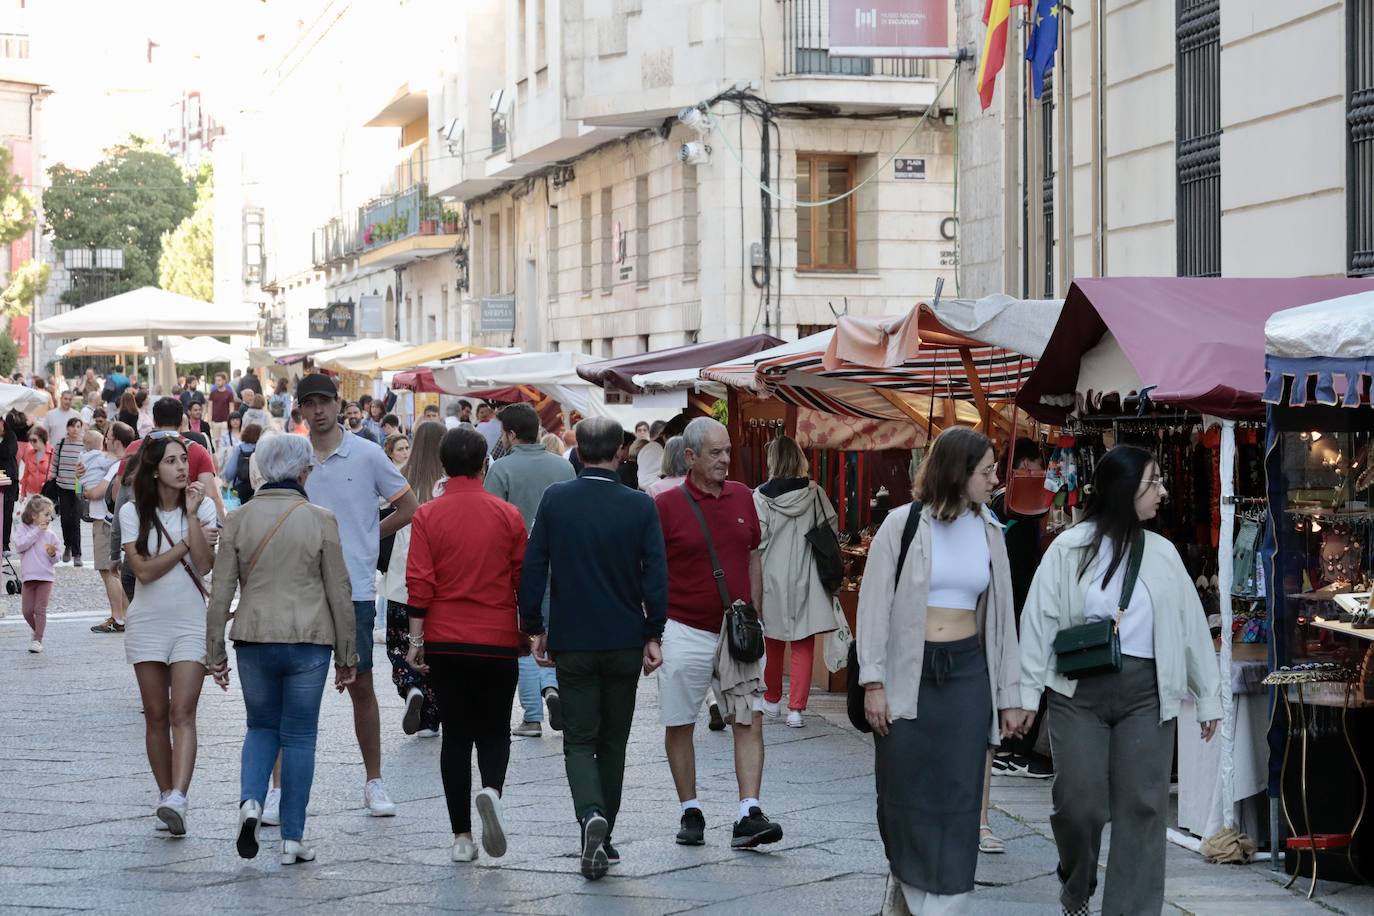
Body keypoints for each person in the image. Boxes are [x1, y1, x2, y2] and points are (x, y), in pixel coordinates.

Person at [1018, 445, 1221, 916]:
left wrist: (1207, 697)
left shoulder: (1164, 553)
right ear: (1123, 488)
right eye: (1153, 482)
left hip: (1147, 695)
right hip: (1078, 693)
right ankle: (1077, 882)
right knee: (1079, 805)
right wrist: (1026, 695)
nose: (1163, 492)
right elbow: (1038, 623)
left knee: (1143, 811)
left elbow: (1190, 626)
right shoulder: (1070, 548)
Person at [856, 426, 1028, 913]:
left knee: (959, 797)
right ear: (957, 473)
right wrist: (873, 682)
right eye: (987, 471)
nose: (996, 480)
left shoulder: (992, 530)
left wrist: (1010, 695)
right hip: (907, 674)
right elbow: (872, 608)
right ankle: (911, 890)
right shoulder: (901, 525)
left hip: (967, 673)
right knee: (902, 793)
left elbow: (1002, 621)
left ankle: (948, 901)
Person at [519, 417, 668, 880]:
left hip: (574, 638)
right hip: (624, 638)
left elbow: (534, 566)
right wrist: (653, 631)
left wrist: (534, 626)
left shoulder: (556, 500)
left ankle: (590, 815)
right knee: (614, 742)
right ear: (620, 453)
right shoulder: (640, 506)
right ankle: (606, 829)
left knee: (579, 740)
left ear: (579, 453)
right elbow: (656, 575)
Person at [205, 434, 358, 865]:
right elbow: (339, 592)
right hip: (309, 639)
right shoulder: (321, 519)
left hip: (253, 637)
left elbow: (221, 592)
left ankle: (251, 802)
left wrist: (213, 650)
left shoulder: (237, 519)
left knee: (260, 727)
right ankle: (293, 837)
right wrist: (348, 655)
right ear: (304, 471)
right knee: (300, 736)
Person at [652, 417, 782, 850]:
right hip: (683, 628)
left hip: (737, 631)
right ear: (690, 458)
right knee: (680, 722)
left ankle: (749, 811)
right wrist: (651, 631)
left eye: (728, 451)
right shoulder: (666, 506)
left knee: (749, 718)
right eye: (716, 453)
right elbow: (650, 571)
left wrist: (756, 615)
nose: (726, 459)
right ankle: (690, 809)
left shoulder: (744, 497)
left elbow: (753, 557)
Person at [404, 427, 526, 864]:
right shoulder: (507, 515)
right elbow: (520, 578)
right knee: (495, 729)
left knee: (455, 737)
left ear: (443, 466)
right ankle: (491, 788)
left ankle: (461, 837)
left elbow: (419, 582)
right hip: (495, 637)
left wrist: (416, 640)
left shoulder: (428, 516)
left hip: (445, 637)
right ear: (483, 464)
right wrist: (527, 630)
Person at [298, 373, 416, 817]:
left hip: (355, 585)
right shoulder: (296, 456)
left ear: (337, 403)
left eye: (324, 401)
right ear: (301, 410)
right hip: (302, 584)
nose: (318, 410)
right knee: (294, 688)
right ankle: (277, 788)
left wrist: (370, 536)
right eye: (309, 403)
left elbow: (408, 505)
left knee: (362, 683)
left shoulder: (367, 453)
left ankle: (374, 780)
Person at [121, 433, 217, 836]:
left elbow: (206, 563)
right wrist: (183, 542)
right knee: (156, 715)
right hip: (147, 621)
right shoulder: (132, 512)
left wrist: (193, 516)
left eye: (184, 460)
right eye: (172, 461)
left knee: (183, 712)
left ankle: (179, 795)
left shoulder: (204, 505)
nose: (182, 468)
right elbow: (141, 571)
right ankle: (165, 795)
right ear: (155, 469)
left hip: (191, 621)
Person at [483, 403, 575, 737]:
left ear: (509, 433)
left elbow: (491, 524)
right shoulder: (563, 468)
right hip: (559, 565)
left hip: (516, 567)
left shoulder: (502, 469)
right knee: (551, 635)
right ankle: (553, 687)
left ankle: (532, 717)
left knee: (523, 640)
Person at [753, 436, 838, 729]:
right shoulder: (815, 493)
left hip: (771, 576)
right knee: (803, 640)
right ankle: (796, 710)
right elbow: (830, 529)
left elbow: (758, 541)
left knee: (773, 639)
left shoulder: (760, 496)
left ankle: (773, 699)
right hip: (808, 573)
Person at [989, 438, 1054, 781]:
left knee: (1011, 672)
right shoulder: (1019, 505)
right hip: (1020, 599)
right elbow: (1022, 561)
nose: (1041, 471)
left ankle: (1005, 746)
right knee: (1025, 671)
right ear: (1023, 468)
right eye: (1037, 463)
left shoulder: (999, 502)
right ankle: (1015, 748)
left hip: (1008, 601)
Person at [382, 421, 445, 738]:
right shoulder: (447, 482)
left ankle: (410, 687)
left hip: (400, 577)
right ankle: (431, 720)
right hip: (439, 579)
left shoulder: (401, 476)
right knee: (434, 647)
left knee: (398, 643)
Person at [87, 422, 136, 634]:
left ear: (115, 440)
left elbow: (100, 493)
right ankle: (122, 615)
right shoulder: (119, 462)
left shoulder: (119, 465)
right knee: (113, 571)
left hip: (106, 521)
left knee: (109, 571)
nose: (105, 441)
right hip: (111, 520)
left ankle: (118, 617)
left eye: (107, 437)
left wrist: (86, 492)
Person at [13, 495, 59, 653]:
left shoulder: (51, 534)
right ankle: (37, 631)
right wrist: (38, 531)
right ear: (34, 515)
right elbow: (20, 545)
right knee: (27, 611)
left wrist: (54, 554)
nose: (49, 518)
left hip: (45, 577)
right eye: (46, 514)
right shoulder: (23, 530)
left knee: (40, 609)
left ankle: (38, 638)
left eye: (50, 515)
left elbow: (56, 556)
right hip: (28, 577)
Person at [47, 416, 85, 567]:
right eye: (72, 426)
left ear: (81, 429)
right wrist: (53, 478)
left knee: (75, 519)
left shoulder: (84, 445)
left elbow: (86, 465)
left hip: (77, 486)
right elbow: (54, 463)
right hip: (62, 485)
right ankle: (67, 546)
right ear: (67, 428)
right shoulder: (60, 443)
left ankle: (77, 554)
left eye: (78, 426)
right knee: (65, 520)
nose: (75, 429)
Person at [0, 409, 28, 551]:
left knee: (6, 511)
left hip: (9, 480)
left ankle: (4, 544)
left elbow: (7, 452)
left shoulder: (11, 436)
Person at [225, 424, 264, 505]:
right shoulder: (262, 448)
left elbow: (229, 474)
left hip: (241, 489)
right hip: (258, 489)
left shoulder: (239, 448)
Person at [18, 425, 51, 499]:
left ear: (42, 438)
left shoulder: (52, 453)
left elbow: (55, 474)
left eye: (34, 440)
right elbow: (25, 474)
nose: (32, 443)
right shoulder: (29, 453)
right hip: (31, 492)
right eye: (30, 440)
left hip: (46, 492)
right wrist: (23, 493)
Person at [635, 420, 667, 491]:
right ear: (662, 435)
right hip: (651, 491)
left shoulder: (649, 448)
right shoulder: (654, 448)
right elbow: (647, 481)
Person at [207, 373, 236, 444]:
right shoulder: (213, 393)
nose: (217, 382)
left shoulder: (229, 393)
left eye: (219, 380)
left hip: (225, 421)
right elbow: (210, 406)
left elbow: (231, 407)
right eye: (216, 380)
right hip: (215, 420)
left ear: (224, 381)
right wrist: (209, 419)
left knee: (225, 440)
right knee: (216, 440)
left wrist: (231, 419)